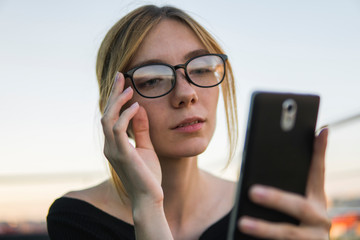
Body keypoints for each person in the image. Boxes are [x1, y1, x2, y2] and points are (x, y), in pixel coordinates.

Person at [47, 5, 331, 240]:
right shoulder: (77, 219)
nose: (187, 94)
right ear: (113, 106)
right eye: (153, 79)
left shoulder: (260, 206)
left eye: (202, 68)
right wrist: (148, 206)